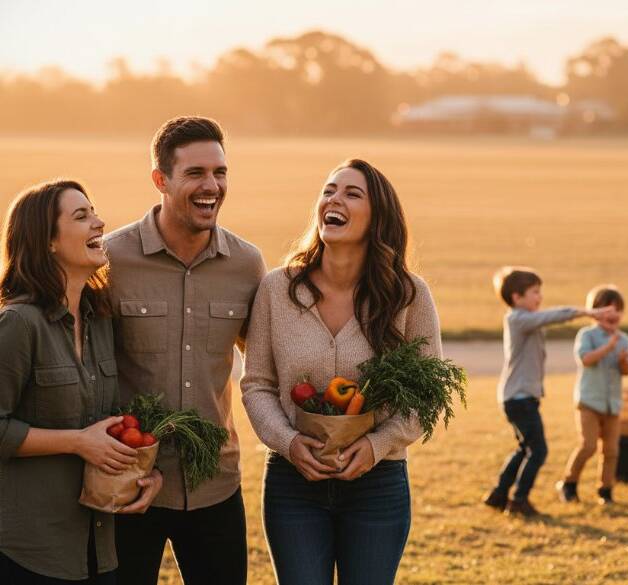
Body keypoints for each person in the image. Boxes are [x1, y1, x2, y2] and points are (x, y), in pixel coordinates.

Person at [241, 159, 440, 585]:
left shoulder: (409, 295)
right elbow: (258, 384)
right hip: (293, 484)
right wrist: (289, 442)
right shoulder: (278, 288)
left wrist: (377, 446)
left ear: (378, 217)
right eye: (329, 190)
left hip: (378, 485)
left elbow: (426, 396)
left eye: (352, 193)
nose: (334, 199)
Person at [104, 117, 266, 585]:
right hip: (129, 487)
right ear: (161, 180)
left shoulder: (246, 263)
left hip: (215, 484)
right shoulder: (111, 259)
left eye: (220, 172)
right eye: (195, 173)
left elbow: (268, 364)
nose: (211, 185)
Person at [0, 179, 162, 584]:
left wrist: (145, 471)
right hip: (28, 551)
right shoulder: (19, 324)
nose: (99, 222)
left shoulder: (101, 321)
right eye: (82, 216)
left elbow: (110, 424)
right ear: (48, 242)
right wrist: (76, 441)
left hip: (98, 547)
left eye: (94, 212)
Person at [483, 267, 615, 517]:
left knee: (525, 448)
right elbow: (550, 317)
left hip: (520, 397)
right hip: (519, 398)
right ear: (516, 298)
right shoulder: (517, 319)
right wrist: (587, 312)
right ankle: (519, 500)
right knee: (538, 450)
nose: (540, 297)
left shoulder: (523, 318)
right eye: (535, 292)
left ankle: (498, 495)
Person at [556, 285, 628, 505]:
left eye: (618, 309)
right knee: (588, 445)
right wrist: (608, 348)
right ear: (595, 313)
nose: (613, 314)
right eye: (607, 310)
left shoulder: (624, 339)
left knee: (611, 450)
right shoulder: (587, 335)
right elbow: (585, 359)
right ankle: (569, 483)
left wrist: (623, 361)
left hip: (612, 403)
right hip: (589, 400)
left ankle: (605, 490)